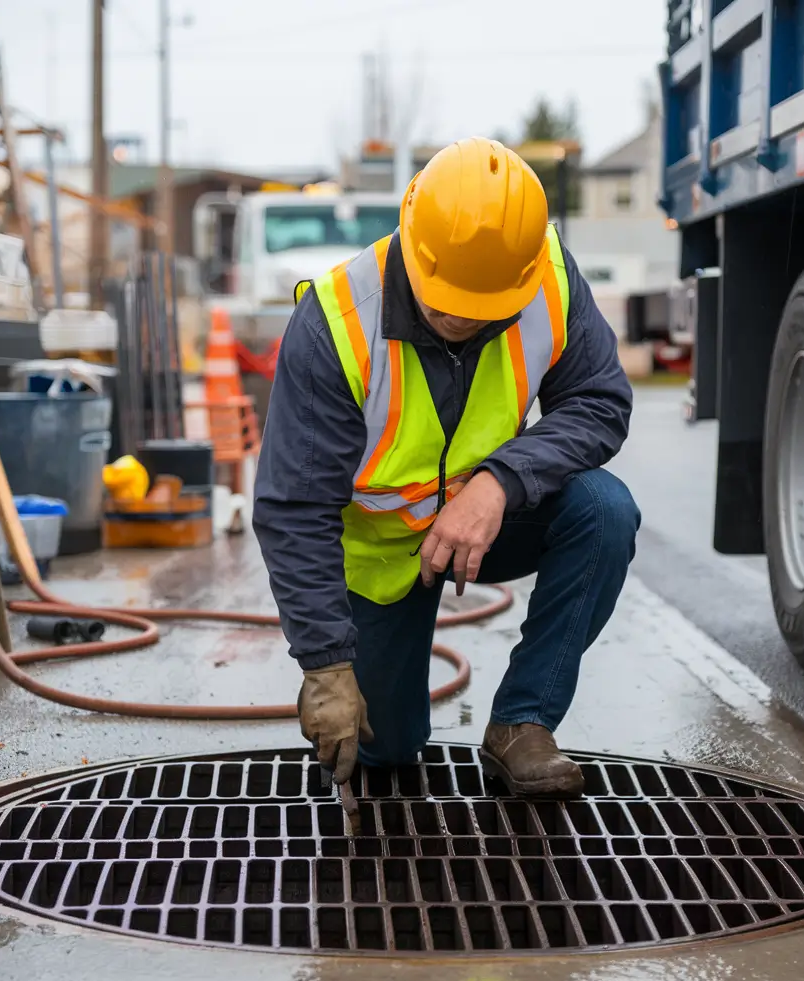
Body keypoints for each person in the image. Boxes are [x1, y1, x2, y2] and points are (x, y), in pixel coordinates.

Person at [254, 137, 639, 797]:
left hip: (485, 523)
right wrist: (326, 663)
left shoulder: (546, 277)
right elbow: (295, 507)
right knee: (387, 751)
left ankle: (523, 722)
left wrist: (498, 483)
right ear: (411, 238)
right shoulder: (337, 322)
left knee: (604, 511)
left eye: (481, 306)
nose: (460, 317)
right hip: (379, 558)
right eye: (445, 302)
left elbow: (599, 404)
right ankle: (389, 705)